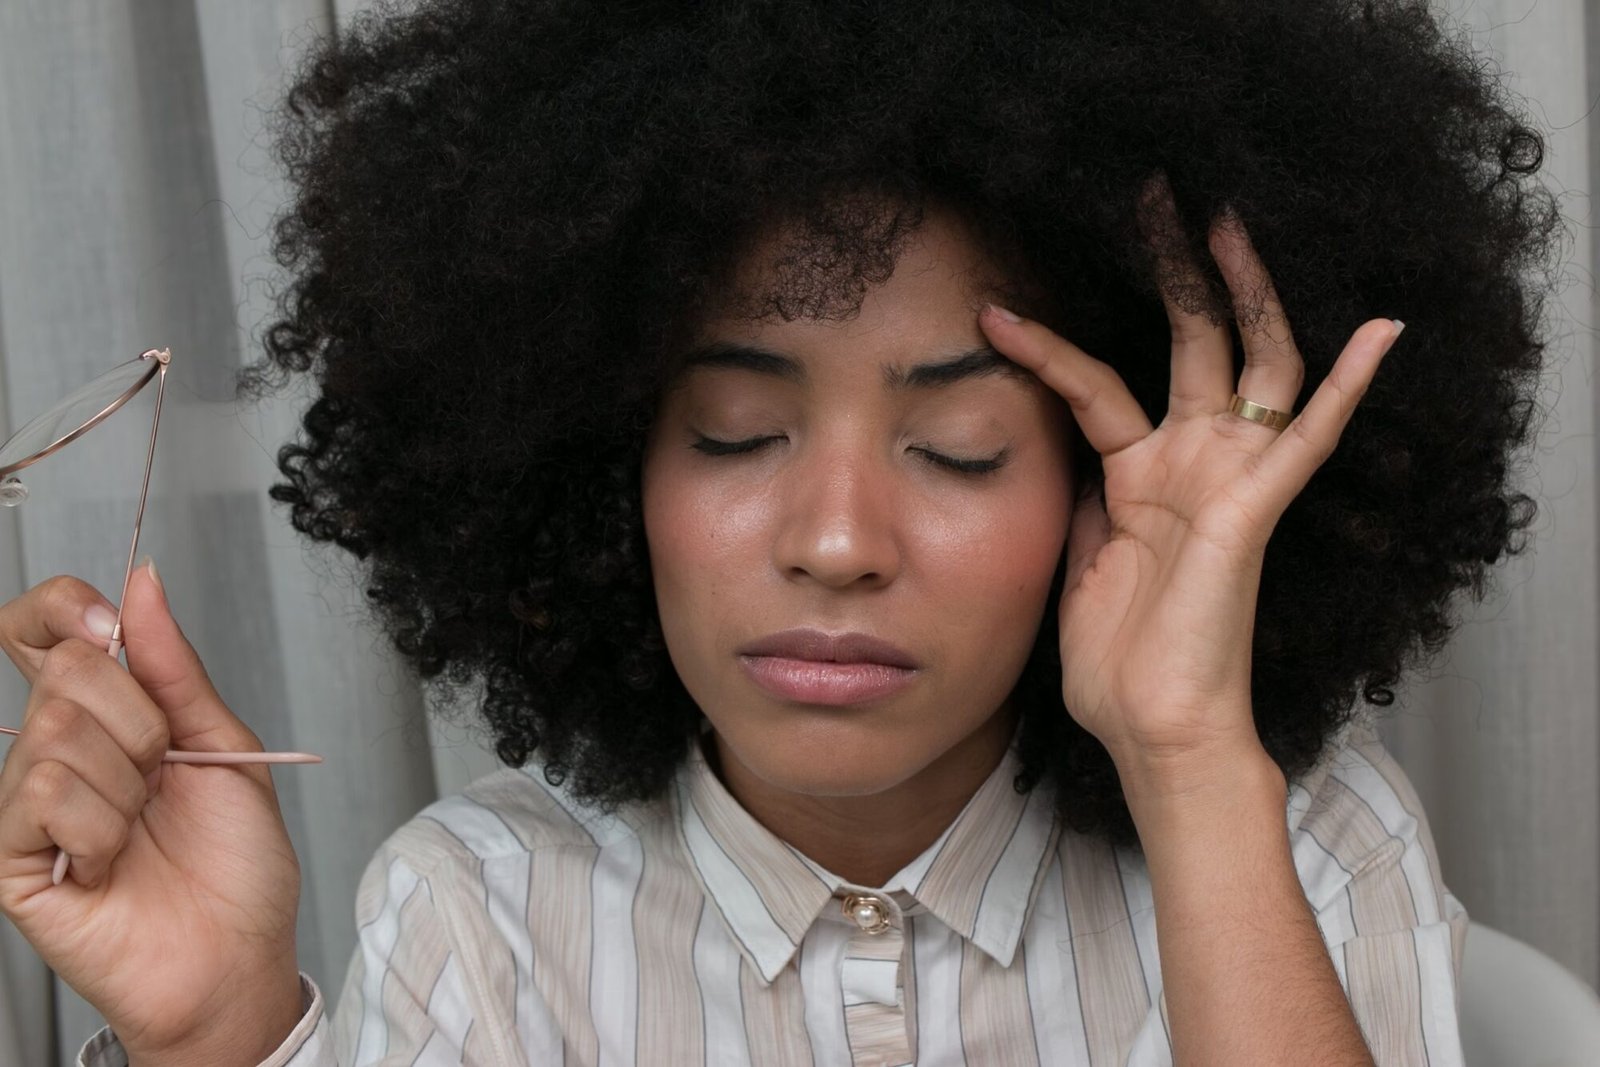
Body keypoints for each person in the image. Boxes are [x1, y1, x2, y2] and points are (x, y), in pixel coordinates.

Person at [0, 0, 1561, 1063]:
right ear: (601, 473)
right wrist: (214, 1040)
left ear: (1098, 484)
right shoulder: (480, 910)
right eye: (738, 432)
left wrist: (1191, 763)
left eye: (957, 449)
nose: (835, 540)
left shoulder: (1299, 846)